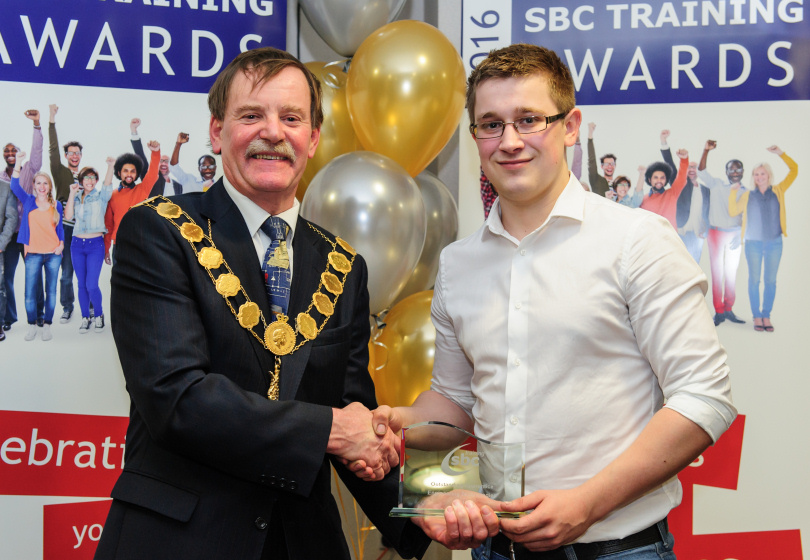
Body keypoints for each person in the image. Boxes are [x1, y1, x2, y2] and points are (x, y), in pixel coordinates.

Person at [378, 43, 737, 559]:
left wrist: (587, 504)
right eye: (490, 124)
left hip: (619, 549)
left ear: (570, 127)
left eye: (529, 120)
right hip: (496, 548)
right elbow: (455, 405)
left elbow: (704, 397)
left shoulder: (637, 240)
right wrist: (385, 425)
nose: (509, 141)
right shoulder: (458, 264)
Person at [94, 47, 430, 560]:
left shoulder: (343, 266)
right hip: (179, 541)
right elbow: (176, 397)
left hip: (304, 543)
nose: (272, 131)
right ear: (217, 131)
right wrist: (333, 429)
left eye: (291, 118)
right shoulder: (157, 231)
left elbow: (353, 417)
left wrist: (431, 516)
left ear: (313, 138)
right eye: (251, 115)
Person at [728, 145, 797, 332]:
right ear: (753, 177)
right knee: (754, 280)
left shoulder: (779, 190)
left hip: (774, 242)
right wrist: (733, 192)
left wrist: (780, 154)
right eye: (756, 175)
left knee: (771, 281)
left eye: (763, 174)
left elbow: (794, 169)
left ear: (769, 176)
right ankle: (756, 316)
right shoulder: (747, 195)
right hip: (753, 243)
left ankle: (766, 315)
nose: (759, 177)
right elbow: (733, 211)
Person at [10, 153, 64, 342]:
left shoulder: (56, 205)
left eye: (45, 183)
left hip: (53, 254)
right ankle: (32, 324)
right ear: (34, 185)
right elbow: (14, 185)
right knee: (30, 293)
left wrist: (61, 245)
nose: (42, 187)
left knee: (51, 292)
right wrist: (18, 163)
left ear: (49, 186)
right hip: (32, 254)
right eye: (38, 183)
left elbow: (60, 229)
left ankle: (47, 324)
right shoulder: (29, 202)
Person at [698, 140, 746, 326]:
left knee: (731, 273)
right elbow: (701, 171)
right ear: (726, 172)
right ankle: (718, 312)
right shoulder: (716, 184)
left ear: (742, 172)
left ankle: (729, 309)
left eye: (738, 169)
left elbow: (747, 217)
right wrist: (706, 150)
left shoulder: (745, 192)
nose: (734, 172)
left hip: (734, 234)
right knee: (717, 273)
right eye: (731, 169)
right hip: (716, 234)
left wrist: (740, 236)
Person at [3, 109, 43, 332]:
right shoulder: (0, 178)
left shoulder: (29, 169)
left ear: (19, 153)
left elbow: (37, 153)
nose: (10, 153)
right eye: (6, 150)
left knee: (34, 275)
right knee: (7, 277)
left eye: (13, 150)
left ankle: (38, 315)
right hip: (9, 237)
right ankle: (9, 317)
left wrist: (36, 125)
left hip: (30, 233)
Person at [65, 161, 115, 333]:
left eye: (93, 178)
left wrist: (110, 166)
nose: (90, 181)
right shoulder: (77, 197)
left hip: (95, 245)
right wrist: (72, 194)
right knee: (81, 284)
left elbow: (108, 185)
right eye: (87, 177)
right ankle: (85, 317)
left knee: (91, 284)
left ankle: (99, 315)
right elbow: (69, 216)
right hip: (77, 245)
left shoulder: (101, 196)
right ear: (81, 180)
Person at [102, 144, 161, 265]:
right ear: (119, 173)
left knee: (139, 280)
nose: (129, 174)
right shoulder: (112, 195)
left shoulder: (142, 189)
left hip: (139, 243)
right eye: (126, 171)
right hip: (119, 244)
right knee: (119, 280)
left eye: (133, 171)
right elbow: (109, 225)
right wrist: (106, 249)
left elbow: (153, 174)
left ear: (136, 174)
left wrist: (155, 153)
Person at [48, 104, 79, 324]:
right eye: (71, 153)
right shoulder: (60, 172)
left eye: (78, 153)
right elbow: (53, 150)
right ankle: (67, 307)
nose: (75, 156)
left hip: (85, 230)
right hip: (66, 228)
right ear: (67, 155)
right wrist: (51, 120)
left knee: (86, 273)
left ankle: (89, 305)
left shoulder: (88, 175)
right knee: (66, 273)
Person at [660, 130, 710, 263]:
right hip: (681, 233)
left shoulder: (706, 191)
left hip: (696, 237)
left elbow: (708, 212)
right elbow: (669, 164)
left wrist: (706, 231)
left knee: (695, 270)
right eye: (689, 167)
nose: (692, 169)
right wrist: (664, 142)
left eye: (695, 167)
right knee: (678, 267)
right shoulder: (680, 186)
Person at [129, 118, 183, 196]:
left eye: (167, 161)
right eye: (161, 161)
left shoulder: (179, 186)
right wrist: (134, 130)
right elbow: (140, 156)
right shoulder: (151, 179)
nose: (164, 163)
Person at [639, 149, 689, 230]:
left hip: (669, 239)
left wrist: (684, 159)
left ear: (666, 180)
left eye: (662, 178)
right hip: (650, 239)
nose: (659, 180)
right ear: (649, 180)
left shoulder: (672, 193)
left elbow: (682, 178)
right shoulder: (643, 199)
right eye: (655, 177)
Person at [0, 177, 19, 342]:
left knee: (2, 284)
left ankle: (3, 320)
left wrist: (1, 243)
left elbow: (11, 218)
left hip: (2, 244)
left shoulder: (6, 188)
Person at [586, 122, 616, 197]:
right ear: (602, 166)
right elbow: (592, 161)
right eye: (606, 164)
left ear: (615, 166)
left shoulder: (619, 184)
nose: (609, 166)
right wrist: (590, 136)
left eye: (612, 164)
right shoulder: (596, 180)